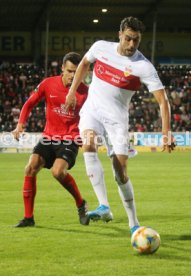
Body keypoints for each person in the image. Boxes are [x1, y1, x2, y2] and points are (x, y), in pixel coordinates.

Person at [64, 17, 176, 234]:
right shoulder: (100, 48)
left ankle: (133, 222)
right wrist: (71, 92)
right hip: (93, 110)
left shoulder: (143, 66)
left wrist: (166, 132)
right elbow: (84, 64)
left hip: (117, 121)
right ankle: (104, 206)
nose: (132, 45)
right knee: (88, 144)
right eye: (128, 39)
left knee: (120, 170)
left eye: (136, 40)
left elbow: (163, 101)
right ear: (120, 34)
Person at [12, 52, 90, 227]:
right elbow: (29, 103)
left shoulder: (86, 93)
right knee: (30, 167)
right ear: (62, 68)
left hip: (70, 139)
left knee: (57, 172)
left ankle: (80, 203)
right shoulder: (48, 84)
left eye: (76, 72)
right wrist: (20, 124)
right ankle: (28, 218)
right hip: (49, 137)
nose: (72, 76)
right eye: (69, 71)